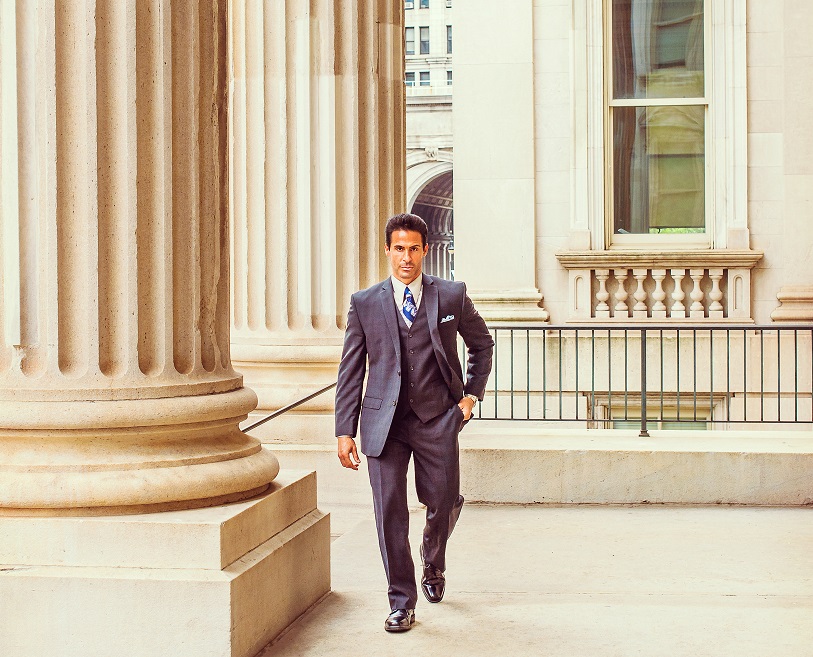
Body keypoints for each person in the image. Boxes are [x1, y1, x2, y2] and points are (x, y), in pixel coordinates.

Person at [334, 213, 494, 633]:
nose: (406, 257)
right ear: (388, 250)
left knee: (443, 502)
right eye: (399, 248)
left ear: (425, 250)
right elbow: (351, 369)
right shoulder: (365, 302)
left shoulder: (452, 295)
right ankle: (401, 601)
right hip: (383, 424)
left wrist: (470, 397)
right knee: (389, 513)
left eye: (414, 248)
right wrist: (343, 429)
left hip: (437, 418)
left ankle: (433, 561)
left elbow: (481, 343)